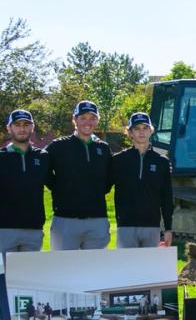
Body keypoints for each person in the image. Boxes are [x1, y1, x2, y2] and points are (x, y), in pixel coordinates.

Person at [45, 101, 113, 250]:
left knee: (95, 270)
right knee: (64, 270)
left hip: (97, 221)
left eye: (92, 118)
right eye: (83, 117)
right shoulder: (58, 146)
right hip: (65, 220)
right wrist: (59, 188)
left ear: (97, 120)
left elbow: (109, 178)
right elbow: (42, 171)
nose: (87, 122)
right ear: (74, 119)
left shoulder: (103, 148)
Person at [111, 112, 174, 248]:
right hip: (126, 226)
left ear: (151, 131)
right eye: (137, 128)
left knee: (150, 269)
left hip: (152, 227)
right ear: (130, 132)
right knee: (126, 268)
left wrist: (168, 229)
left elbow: (167, 197)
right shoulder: (118, 160)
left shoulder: (162, 162)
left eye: (145, 128)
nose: (141, 132)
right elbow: (102, 187)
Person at [0, 110, 50, 254]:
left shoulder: (42, 157)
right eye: (17, 125)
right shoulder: (1, 157)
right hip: (4, 230)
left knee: (30, 275)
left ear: (32, 127)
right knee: (5, 276)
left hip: (33, 229)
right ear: (9, 128)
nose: (22, 129)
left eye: (26, 124)